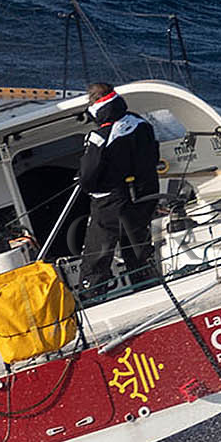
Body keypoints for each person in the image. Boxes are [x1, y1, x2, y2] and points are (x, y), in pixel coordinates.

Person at [76, 83, 160, 298]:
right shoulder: (141, 123)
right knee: (138, 248)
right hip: (142, 196)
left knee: (98, 254)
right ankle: (148, 290)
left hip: (110, 203)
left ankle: (92, 299)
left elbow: (88, 176)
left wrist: (91, 188)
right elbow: (152, 156)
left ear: (96, 104)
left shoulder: (100, 136)